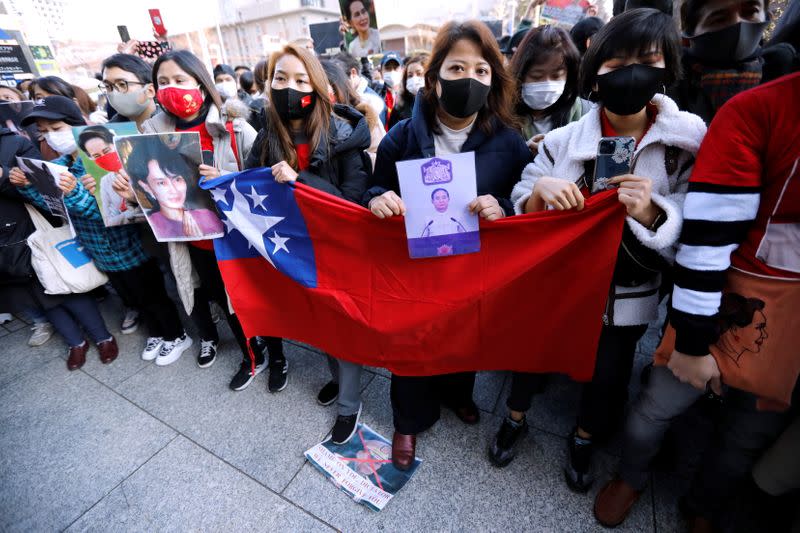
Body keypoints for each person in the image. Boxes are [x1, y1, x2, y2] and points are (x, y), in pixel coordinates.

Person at [506, 8, 706, 492]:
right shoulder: (563, 138)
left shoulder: (686, 142)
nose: (630, 73)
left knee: (609, 371)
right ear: (594, 71)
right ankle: (513, 418)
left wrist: (653, 212)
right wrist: (540, 192)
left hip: (629, 291)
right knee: (533, 352)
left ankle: (583, 438)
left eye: (647, 60)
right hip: (561, 283)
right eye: (614, 64)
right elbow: (522, 197)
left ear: (668, 67)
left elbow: (696, 217)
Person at [593, 72, 800, 531]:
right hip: (727, 299)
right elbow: (706, 235)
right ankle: (630, 476)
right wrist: (692, 340)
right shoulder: (764, 109)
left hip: (792, 331)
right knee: (653, 409)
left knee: (748, 436)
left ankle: (703, 505)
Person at [365, 20, 532, 470]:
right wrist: (378, 198)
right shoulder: (400, 137)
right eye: (457, 67)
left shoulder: (510, 142)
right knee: (412, 344)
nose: (470, 79)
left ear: (494, 79)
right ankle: (409, 421)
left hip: (474, 271)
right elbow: (373, 188)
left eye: (481, 70)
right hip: (414, 268)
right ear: (435, 78)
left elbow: (525, 200)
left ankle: (459, 394)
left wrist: (503, 207)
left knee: (465, 335)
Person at [245, 44, 371, 443]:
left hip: (338, 252)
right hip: (296, 253)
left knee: (342, 327)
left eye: (300, 79)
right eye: (280, 79)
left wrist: (300, 181)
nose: (289, 87)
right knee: (321, 327)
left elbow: (354, 201)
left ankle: (350, 403)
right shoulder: (267, 135)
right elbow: (249, 185)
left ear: (317, 86)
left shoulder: (344, 133)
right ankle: (341, 381)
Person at [11, 96, 191, 367]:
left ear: (76, 124)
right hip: (99, 250)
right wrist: (28, 185)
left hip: (129, 246)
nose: (51, 136)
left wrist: (74, 193)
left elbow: (106, 212)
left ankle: (176, 335)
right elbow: (54, 206)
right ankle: (156, 333)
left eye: (56, 128)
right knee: (132, 298)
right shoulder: (59, 166)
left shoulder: (106, 164)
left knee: (153, 295)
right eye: (44, 131)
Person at [140, 50, 261, 383]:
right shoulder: (151, 134)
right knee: (220, 299)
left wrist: (223, 176)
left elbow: (262, 179)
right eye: (163, 82)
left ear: (201, 83)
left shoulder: (234, 127)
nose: (171, 88)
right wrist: (131, 191)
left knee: (245, 300)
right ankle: (249, 354)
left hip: (235, 239)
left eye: (180, 80)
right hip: (193, 239)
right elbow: (151, 190)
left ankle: (261, 355)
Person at [669, 0, 797, 124]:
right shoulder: (667, 89)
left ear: (766, 18)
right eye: (719, 18)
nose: (738, 23)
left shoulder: (786, 77)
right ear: (688, 37)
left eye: (750, 12)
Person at [510, 25, 590, 157]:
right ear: (520, 75)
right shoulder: (501, 115)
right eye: (536, 76)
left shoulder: (584, 115)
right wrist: (523, 153)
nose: (547, 83)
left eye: (556, 76)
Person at [126, 139, 223, 239]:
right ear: (146, 187)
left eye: (177, 179)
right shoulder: (153, 225)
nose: (173, 190)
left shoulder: (207, 215)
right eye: (161, 183)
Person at [320, 58, 384, 166]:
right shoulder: (307, 121)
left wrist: (355, 161)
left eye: (331, 91)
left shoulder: (364, 114)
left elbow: (382, 157)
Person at [100, 54, 158, 128]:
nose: (114, 93)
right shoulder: (107, 134)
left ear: (150, 90)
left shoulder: (173, 125)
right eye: (107, 86)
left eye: (122, 84)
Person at [335, 52, 386, 125]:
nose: (335, 85)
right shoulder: (347, 96)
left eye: (338, 79)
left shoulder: (373, 103)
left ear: (353, 73)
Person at [386, 54, 426, 130]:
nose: (414, 78)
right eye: (410, 75)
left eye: (419, 74)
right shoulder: (400, 106)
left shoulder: (440, 105)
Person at [378, 52, 403, 130]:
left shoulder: (409, 95)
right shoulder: (376, 95)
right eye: (388, 68)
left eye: (395, 68)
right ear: (381, 72)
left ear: (402, 71)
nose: (392, 71)